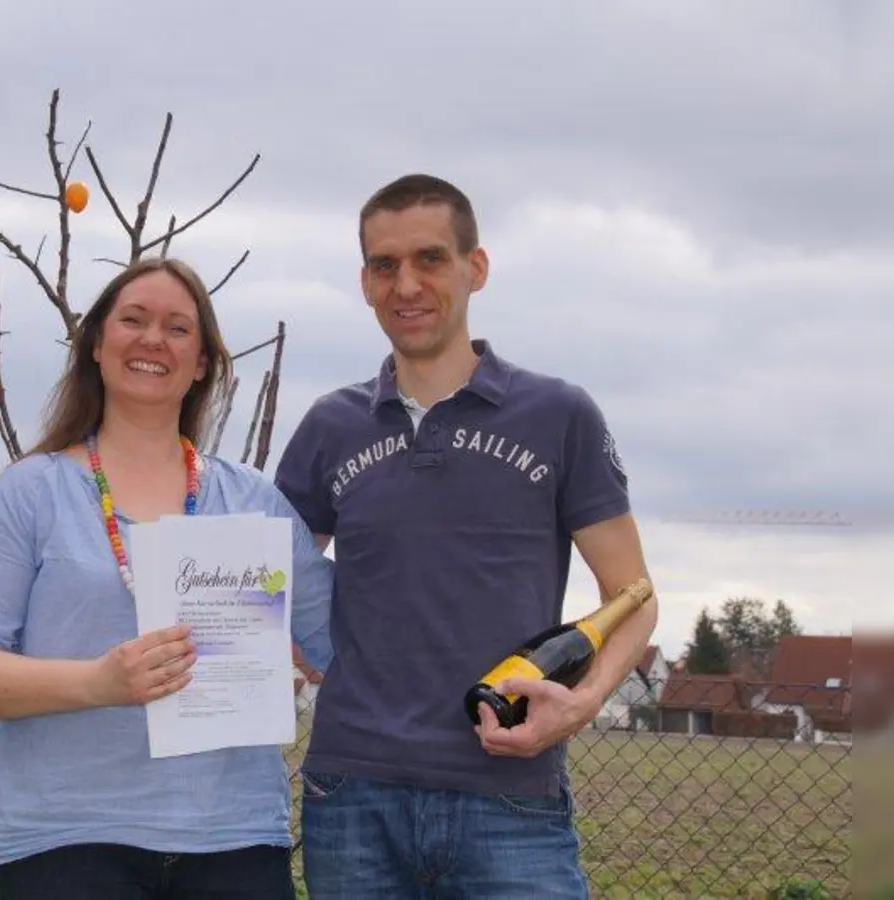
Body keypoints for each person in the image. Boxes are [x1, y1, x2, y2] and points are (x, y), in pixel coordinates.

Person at [273, 173, 659, 899]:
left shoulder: (559, 415)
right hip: (351, 796)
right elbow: (265, 581)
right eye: (385, 266)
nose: (407, 285)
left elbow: (632, 597)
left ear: (474, 268)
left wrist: (583, 702)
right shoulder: (331, 425)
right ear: (364, 283)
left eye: (430, 259)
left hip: (509, 795)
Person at [0, 256, 335, 900]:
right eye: (133, 320)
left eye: (178, 329)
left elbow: (340, 642)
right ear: (95, 343)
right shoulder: (32, 493)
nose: (152, 340)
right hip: (64, 846)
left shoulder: (253, 502)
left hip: (234, 846)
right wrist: (98, 682)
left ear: (202, 362)